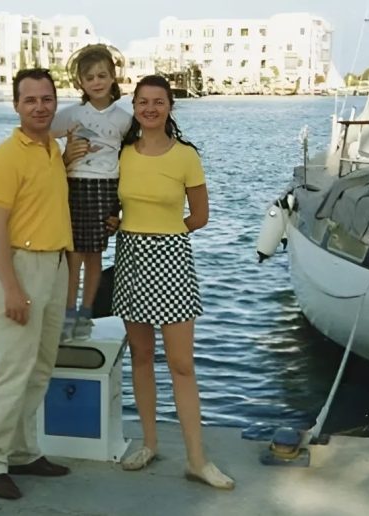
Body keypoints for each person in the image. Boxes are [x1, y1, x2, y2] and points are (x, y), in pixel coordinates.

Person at [110, 75, 235, 489]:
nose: (150, 108)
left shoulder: (186, 156)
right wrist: (122, 225)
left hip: (172, 258)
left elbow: (200, 216)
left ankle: (197, 460)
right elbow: (112, 204)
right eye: (143, 102)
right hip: (130, 256)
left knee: (181, 364)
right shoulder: (122, 154)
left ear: (169, 107)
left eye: (158, 101)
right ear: (134, 106)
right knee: (141, 358)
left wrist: (165, 233)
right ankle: (149, 444)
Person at [0, 68, 73, 500]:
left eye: (46, 99)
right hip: (21, 267)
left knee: (40, 368)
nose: (40, 107)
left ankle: (21, 451)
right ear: (16, 105)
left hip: (55, 264)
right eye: (30, 100)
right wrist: (11, 288)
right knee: (13, 370)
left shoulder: (53, 149)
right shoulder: (4, 159)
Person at [51, 44, 132, 342]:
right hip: (75, 186)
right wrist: (64, 156)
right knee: (73, 256)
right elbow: (41, 139)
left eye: (102, 75)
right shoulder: (70, 115)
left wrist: (120, 207)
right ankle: (68, 313)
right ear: (80, 83)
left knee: (95, 256)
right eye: (89, 77)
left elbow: (129, 160)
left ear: (113, 77)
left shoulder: (124, 119)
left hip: (106, 187)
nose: (96, 82)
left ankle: (86, 313)